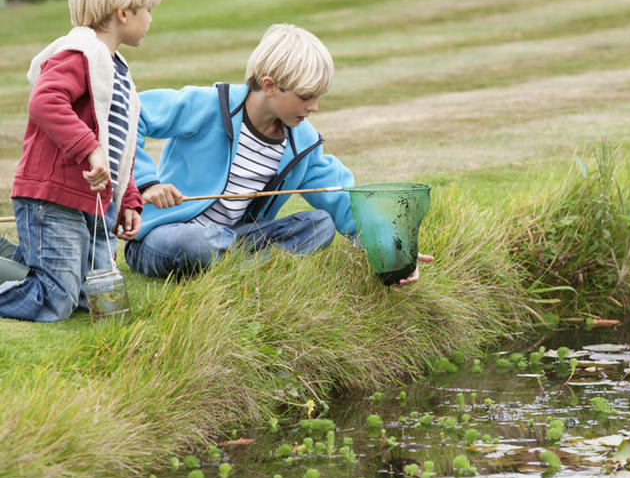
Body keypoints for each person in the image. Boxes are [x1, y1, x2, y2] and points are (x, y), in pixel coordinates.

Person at [126, 23, 432, 284]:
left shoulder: (302, 143)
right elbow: (131, 114)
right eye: (306, 97)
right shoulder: (207, 105)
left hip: (241, 237)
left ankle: (235, 266)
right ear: (270, 86)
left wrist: (389, 247)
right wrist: (146, 182)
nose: (313, 107)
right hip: (164, 237)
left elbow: (341, 196)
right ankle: (248, 265)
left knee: (320, 225)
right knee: (194, 243)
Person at [0, 0, 161, 322]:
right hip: (55, 198)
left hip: (93, 203)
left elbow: (117, 148)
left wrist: (129, 200)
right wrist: (89, 150)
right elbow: (45, 102)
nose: (151, 19)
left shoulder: (117, 70)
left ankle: (13, 263)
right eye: (148, 10)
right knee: (55, 299)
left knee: (100, 301)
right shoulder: (79, 54)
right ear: (124, 13)